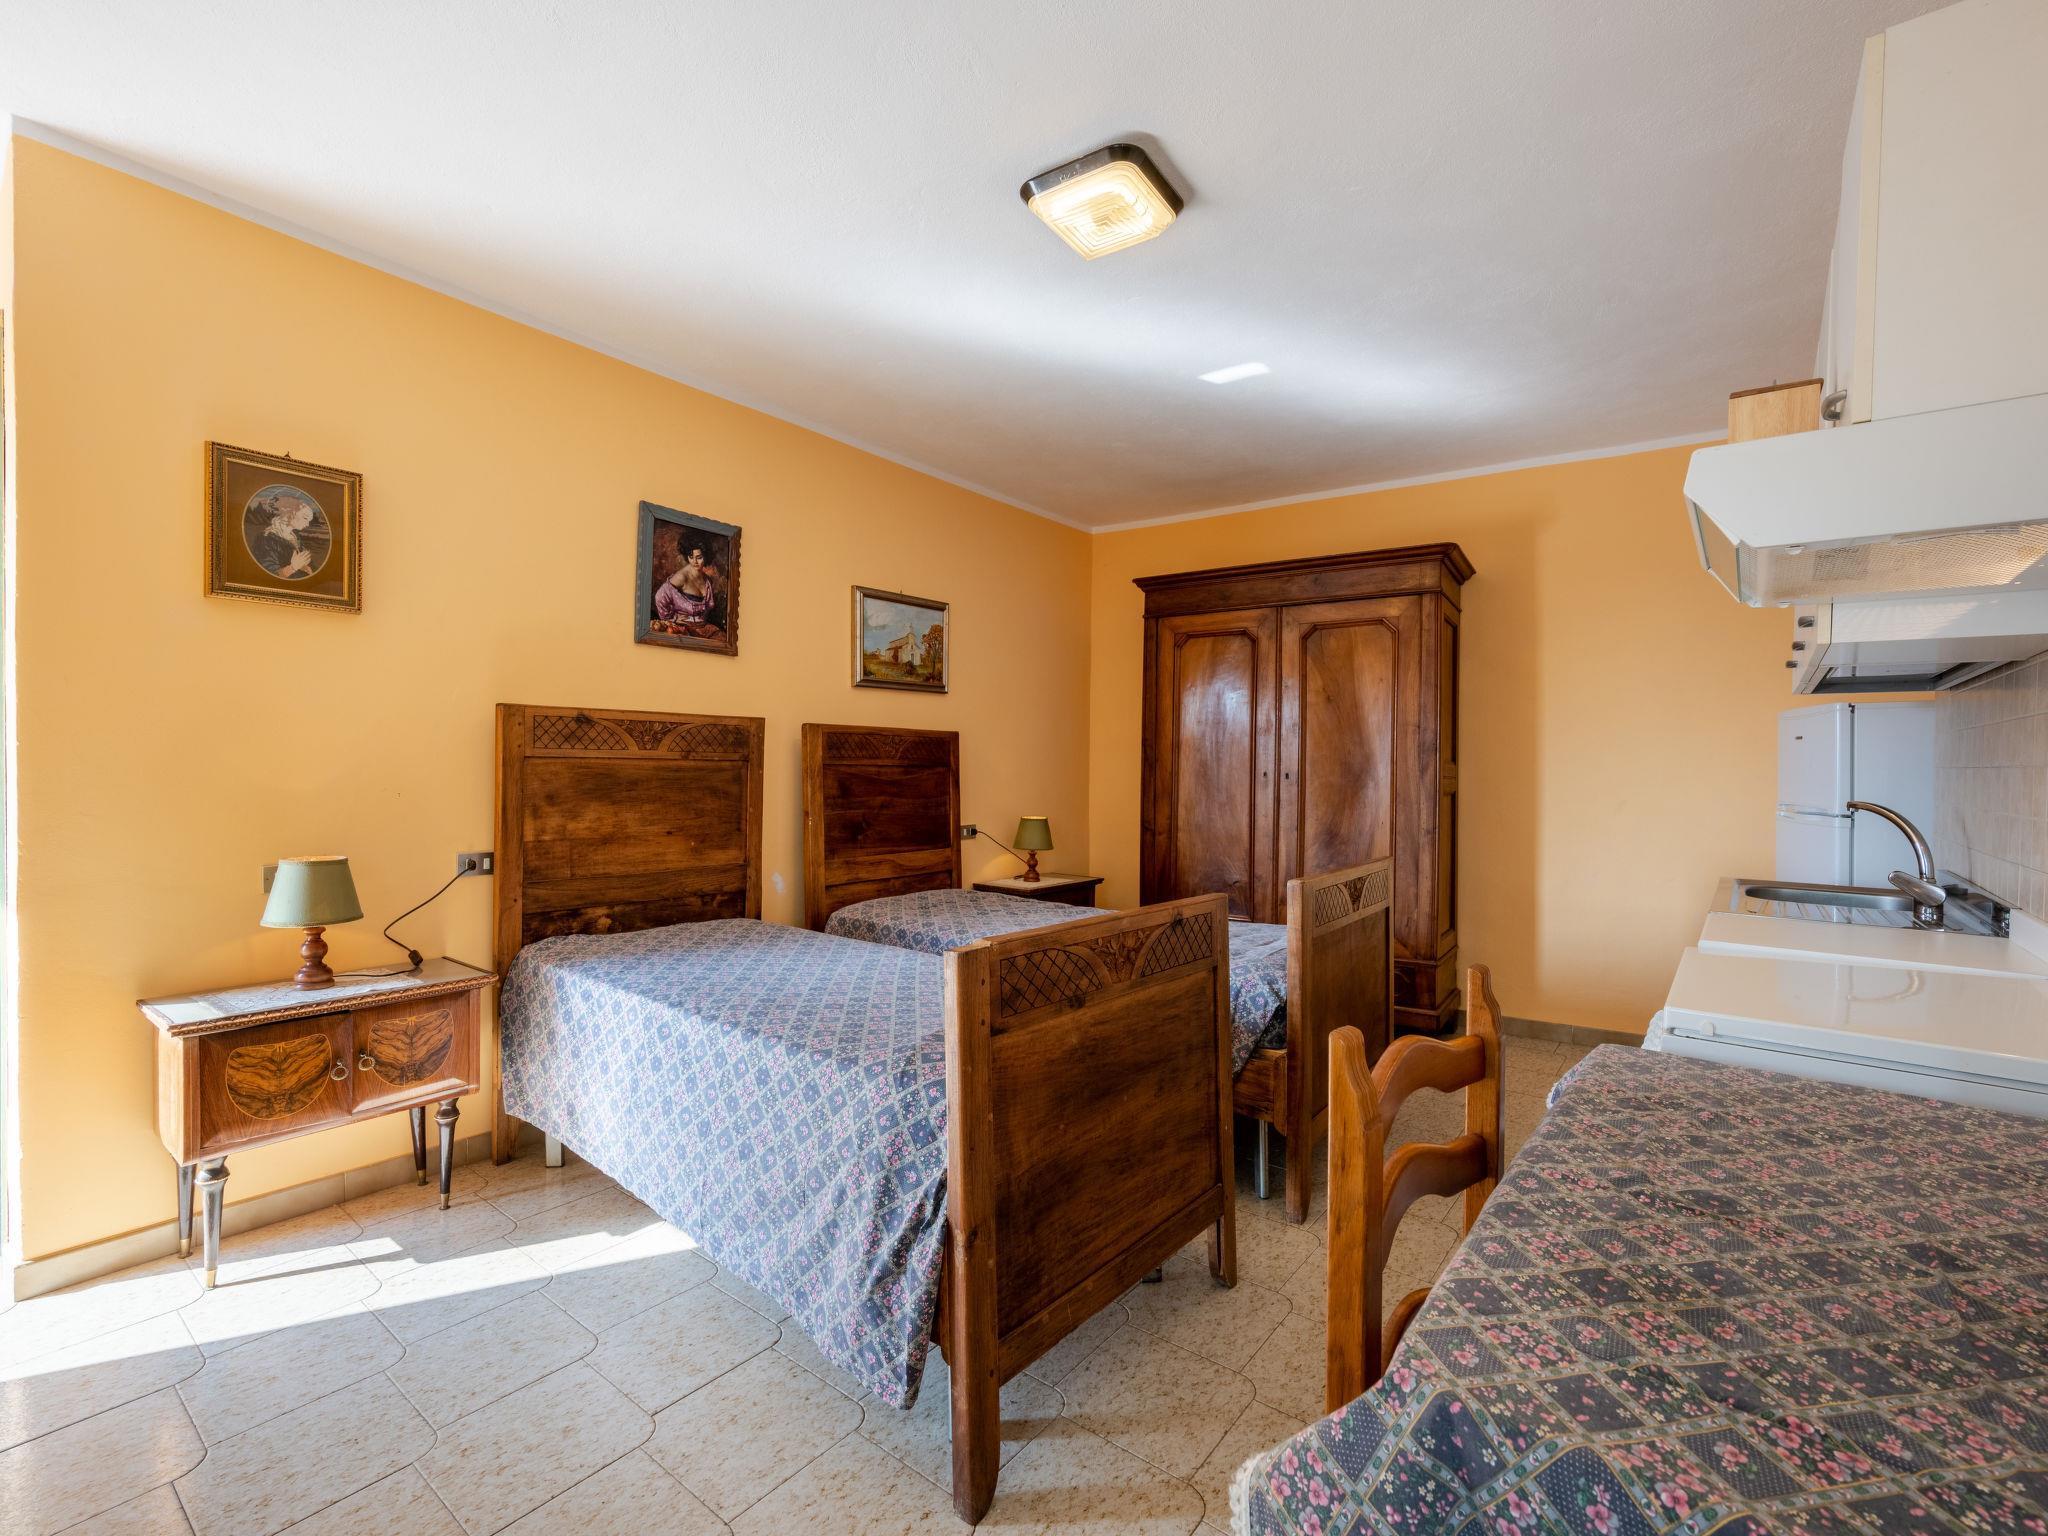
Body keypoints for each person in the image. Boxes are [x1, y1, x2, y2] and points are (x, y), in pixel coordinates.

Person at [655, 543, 719, 628]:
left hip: (702, 627)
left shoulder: (707, 580)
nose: (695, 562)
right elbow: (659, 597)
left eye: (699, 557)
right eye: (691, 557)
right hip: (682, 627)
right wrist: (674, 618)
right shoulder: (681, 577)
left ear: (706, 556)